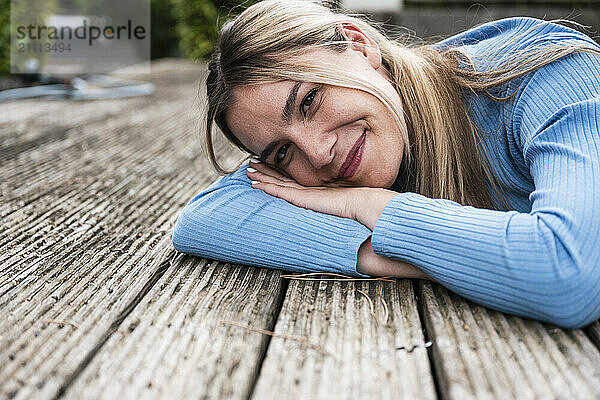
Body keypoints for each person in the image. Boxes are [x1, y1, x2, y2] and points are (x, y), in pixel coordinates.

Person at [171, 0, 600, 329]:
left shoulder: (546, 73)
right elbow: (204, 218)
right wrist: (467, 260)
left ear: (359, 44)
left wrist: (372, 206)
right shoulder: (364, 139)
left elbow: (568, 271)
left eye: (309, 100)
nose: (318, 154)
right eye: (282, 153)